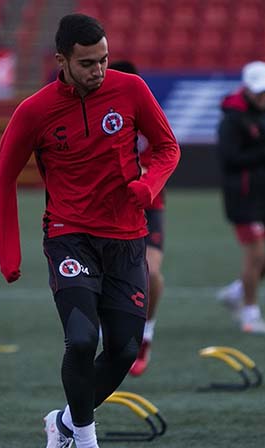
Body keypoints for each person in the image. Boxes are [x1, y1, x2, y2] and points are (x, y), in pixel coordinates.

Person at [0, 14, 180, 448]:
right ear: (62, 61)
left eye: (103, 60)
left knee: (123, 350)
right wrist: (8, 252)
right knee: (81, 338)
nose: (98, 70)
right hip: (69, 236)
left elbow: (167, 147)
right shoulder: (33, 113)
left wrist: (148, 185)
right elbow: (3, 178)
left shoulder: (131, 89)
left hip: (126, 238)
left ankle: (62, 422)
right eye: (87, 63)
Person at [214, 60, 265, 335]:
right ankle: (250, 315)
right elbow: (230, 158)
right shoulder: (232, 118)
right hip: (243, 197)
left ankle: (237, 291)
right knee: (256, 254)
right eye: (260, 91)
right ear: (247, 89)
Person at [107, 60, 162, 377]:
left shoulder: (147, 112)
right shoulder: (99, 115)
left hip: (150, 203)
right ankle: (108, 332)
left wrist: (146, 176)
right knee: (104, 274)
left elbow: (166, 152)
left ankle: (146, 334)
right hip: (111, 205)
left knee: (151, 272)